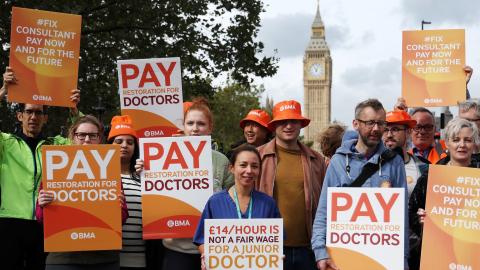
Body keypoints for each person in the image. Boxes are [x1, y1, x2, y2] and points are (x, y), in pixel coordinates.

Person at [311, 99, 408, 270]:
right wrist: (320, 252)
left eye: (381, 123)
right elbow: (323, 212)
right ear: (356, 124)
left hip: (383, 259)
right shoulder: (338, 162)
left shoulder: (395, 162)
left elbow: (402, 216)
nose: (376, 129)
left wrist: (403, 259)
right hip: (343, 259)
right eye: (370, 123)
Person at [0, 66, 80, 270]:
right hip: (11, 221)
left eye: (38, 112)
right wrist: (2, 91)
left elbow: (84, 145)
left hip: (46, 220)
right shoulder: (6, 143)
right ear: (20, 116)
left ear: (45, 118)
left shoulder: (57, 145)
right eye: (28, 112)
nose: (33, 117)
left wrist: (74, 110)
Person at [37, 115, 128, 270]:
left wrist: (118, 207)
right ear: (73, 137)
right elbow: (40, 218)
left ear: (100, 139)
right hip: (64, 259)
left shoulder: (110, 170)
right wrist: (42, 204)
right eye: (82, 135)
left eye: (92, 135)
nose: (87, 140)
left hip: (104, 259)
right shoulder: (54, 169)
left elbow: (123, 216)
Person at [160, 98, 234, 270]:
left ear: (210, 128)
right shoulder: (163, 157)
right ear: (183, 127)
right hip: (177, 249)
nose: (195, 128)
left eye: (201, 124)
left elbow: (233, 202)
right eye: (190, 123)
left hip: (215, 248)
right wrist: (145, 169)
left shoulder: (222, 161)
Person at [256, 100, 326, 270]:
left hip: (308, 250)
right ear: (274, 126)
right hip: (268, 248)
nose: (288, 126)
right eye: (282, 122)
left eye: (293, 121)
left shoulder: (317, 160)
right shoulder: (257, 156)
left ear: (301, 125)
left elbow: (326, 203)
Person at [193, 144, 281, 269]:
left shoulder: (268, 204)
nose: (249, 170)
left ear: (259, 170)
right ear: (232, 168)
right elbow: (202, 239)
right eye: (243, 165)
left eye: (254, 166)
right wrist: (206, 253)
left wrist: (276, 256)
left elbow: (277, 241)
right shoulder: (215, 202)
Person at [408, 117, 479, 270]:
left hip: (472, 254)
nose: (461, 145)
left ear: (474, 144)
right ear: (446, 143)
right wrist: (420, 219)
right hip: (437, 254)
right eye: (455, 139)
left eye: (467, 140)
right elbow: (411, 211)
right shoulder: (431, 176)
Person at [107, 115, 148, 270]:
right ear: (109, 144)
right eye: (118, 141)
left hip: (139, 257)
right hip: (109, 257)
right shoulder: (99, 177)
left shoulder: (144, 176)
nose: (124, 145)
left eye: (130, 142)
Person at [382, 110, 428, 198]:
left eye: (395, 129)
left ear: (408, 132)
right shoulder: (370, 166)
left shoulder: (424, 168)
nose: (389, 135)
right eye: (385, 130)